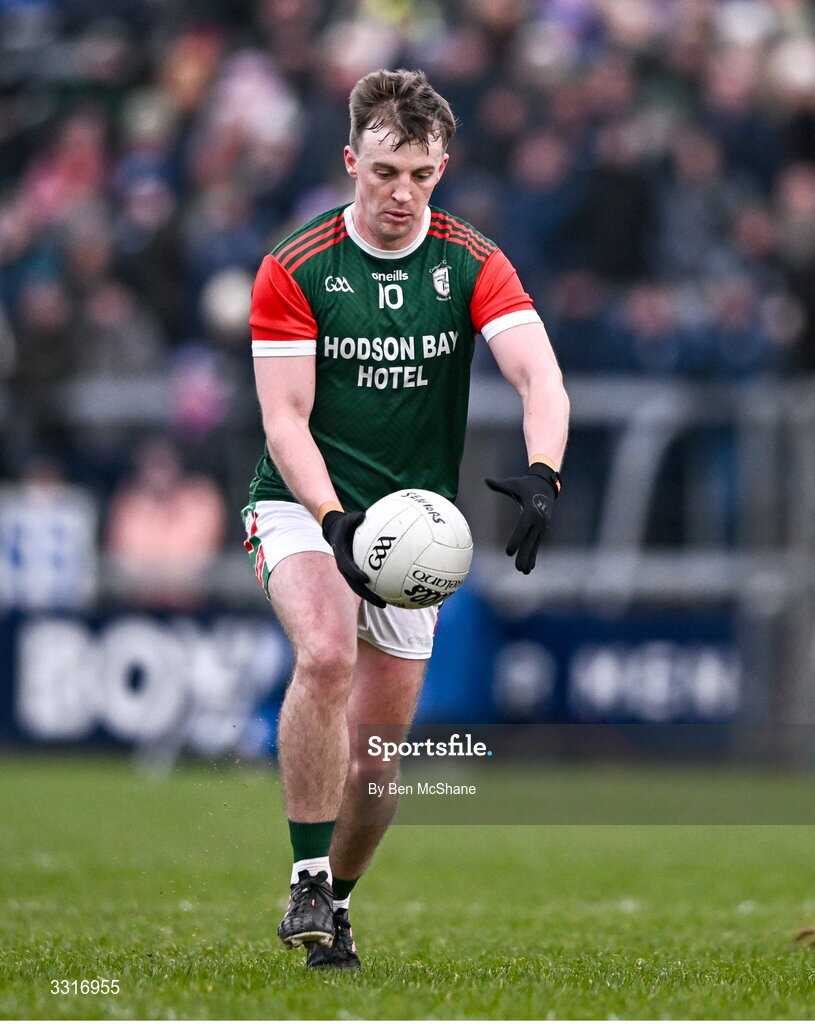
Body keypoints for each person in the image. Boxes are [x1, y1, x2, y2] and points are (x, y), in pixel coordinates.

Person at [242, 68, 569, 971]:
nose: (402, 193)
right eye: (385, 172)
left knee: (376, 764)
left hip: (411, 528)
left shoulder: (470, 261)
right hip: (302, 503)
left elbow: (539, 376)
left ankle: (337, 905)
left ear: (442, 168)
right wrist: (332, 519)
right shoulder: (295, 266)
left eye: (421, 175)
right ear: (351, 160)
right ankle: (307, 875)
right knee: (324, 653)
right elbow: (284, 420)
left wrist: (544, 474)